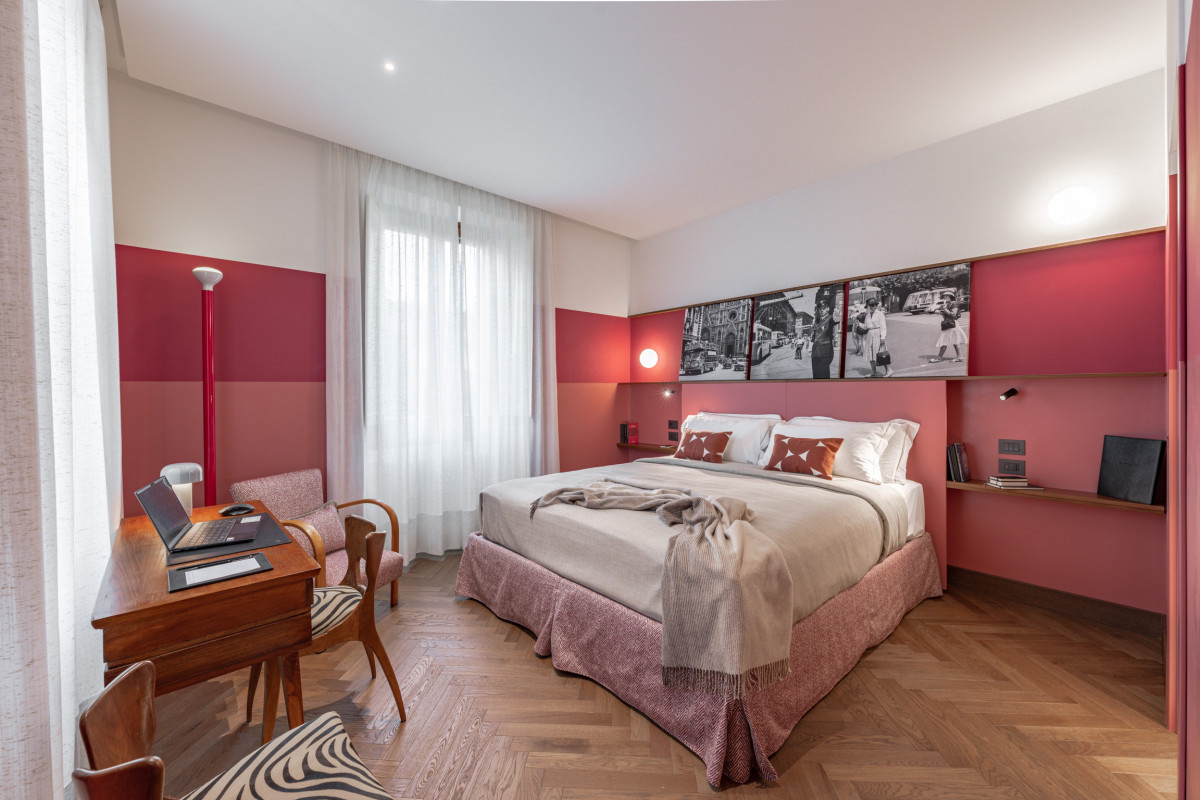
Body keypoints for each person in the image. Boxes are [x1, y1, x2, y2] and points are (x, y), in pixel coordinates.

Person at [930, 290, 967, 363]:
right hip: (950, 324)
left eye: (946, 296)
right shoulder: (948, 303)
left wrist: (945, 309)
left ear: (950, 297)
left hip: (951, 324)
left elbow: (953, 314)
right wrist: (939, 312)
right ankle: (959, 356)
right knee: (955, 340)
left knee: (943, 340)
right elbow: (947, 314)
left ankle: (939, 357)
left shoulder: (954, 304)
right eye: (944, 296)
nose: (944, 297)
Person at [861, 297, 890, 377]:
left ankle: (889, 370)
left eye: (875, 305)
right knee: (870, 354)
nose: (874, 306)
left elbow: (883, 326)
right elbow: (866, 327)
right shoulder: (867, 316)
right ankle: (874, 372)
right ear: (868, 306)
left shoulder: (880, 314)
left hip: (877, 334)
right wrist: (858, 324)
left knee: (880, 353)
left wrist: (883, 338)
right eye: (871, 305)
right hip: (870, 335)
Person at [810, 299, 836, 379]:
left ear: (828, 309)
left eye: (823, 308)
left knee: (824, 377)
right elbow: (814, 338)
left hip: (825, 353)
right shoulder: (818, 322)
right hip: (815, 353)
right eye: (820, 308)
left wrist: (837, 313)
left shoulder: (830, 319)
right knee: (816, 376)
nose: (821, 310)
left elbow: (836, 320)